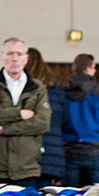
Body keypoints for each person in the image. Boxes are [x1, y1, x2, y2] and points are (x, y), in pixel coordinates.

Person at [0, 38, 52, 193]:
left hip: (27, 167)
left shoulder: (38, 87)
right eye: (10, 53)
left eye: (19, 54)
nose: (14, 58)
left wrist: (6, 129)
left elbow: (42, 123)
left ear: (26, 58)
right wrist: (18, 113)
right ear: (1, 57)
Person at [61, 53, 99, 187]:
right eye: (94, 68)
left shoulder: (64, 91)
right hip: (94, 148)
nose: (94, 71)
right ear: (88, 68)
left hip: (69, 149)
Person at [27, 47, 65, 186]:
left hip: (27, 153)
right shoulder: (57, 91)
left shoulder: (24, 91)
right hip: (53, 153)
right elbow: (65, 121)